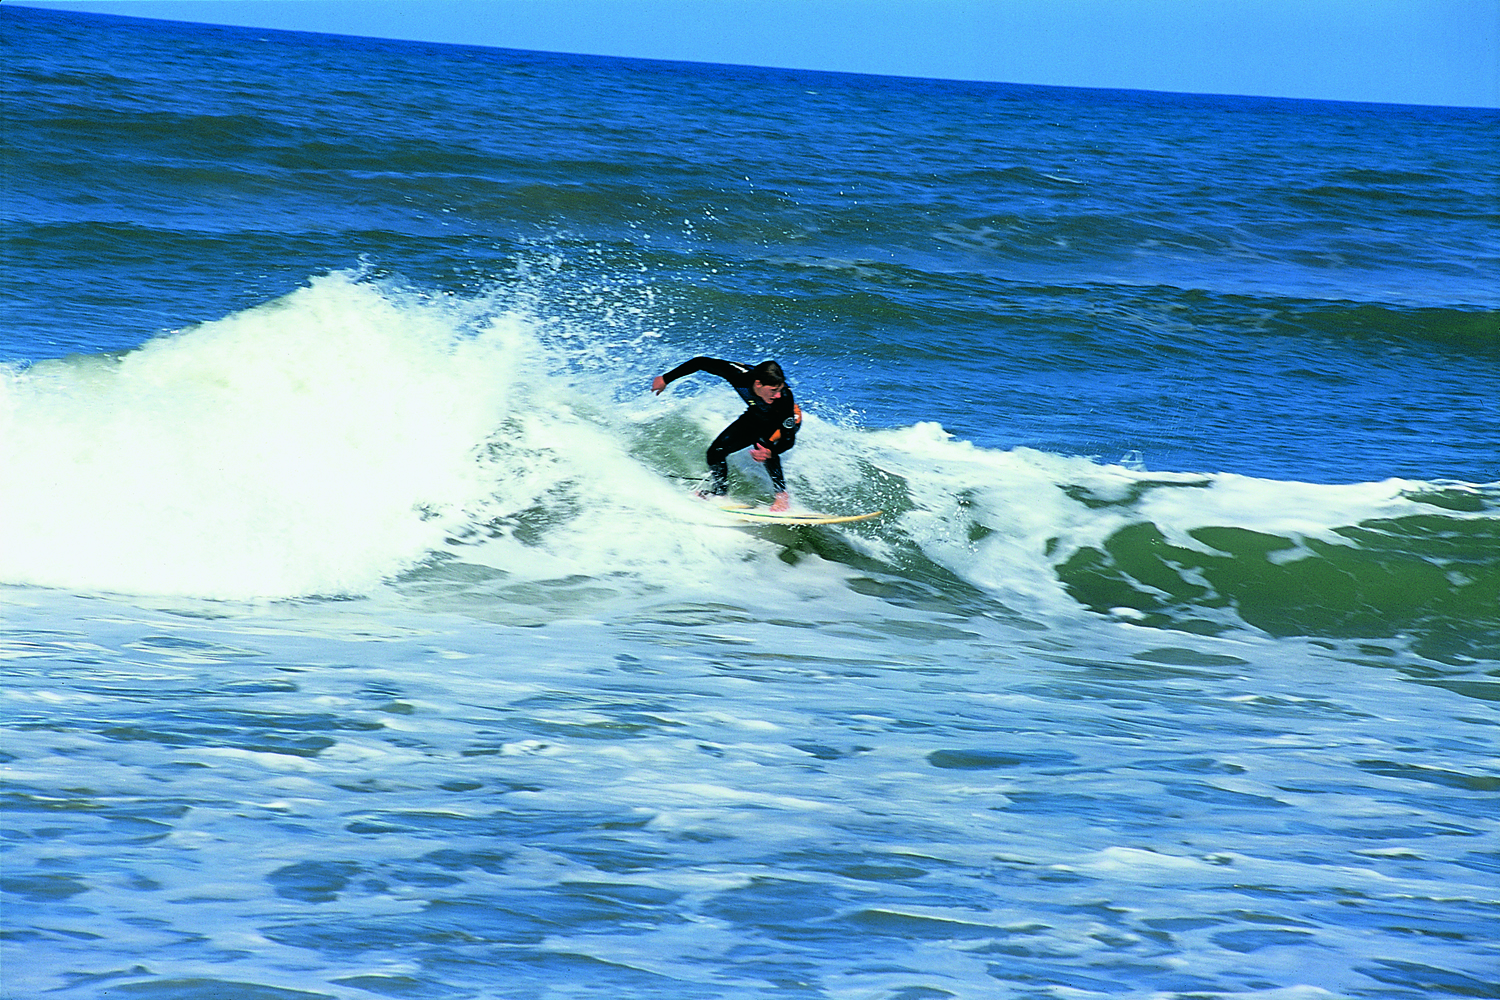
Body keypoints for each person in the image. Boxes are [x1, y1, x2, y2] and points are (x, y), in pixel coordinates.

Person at [651, 357, 802, 511]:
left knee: (764, 445)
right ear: (758, 384)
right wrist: (665, 378)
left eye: (779, 389)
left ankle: (782, 497)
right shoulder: (738, 375)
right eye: (773, 390)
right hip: (757, 414)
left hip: (785, 418)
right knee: (715, 453)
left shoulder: (783, 399)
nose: (777, 394)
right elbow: (700, 362)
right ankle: (719, 493)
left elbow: (788, 439)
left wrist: (771, 452)